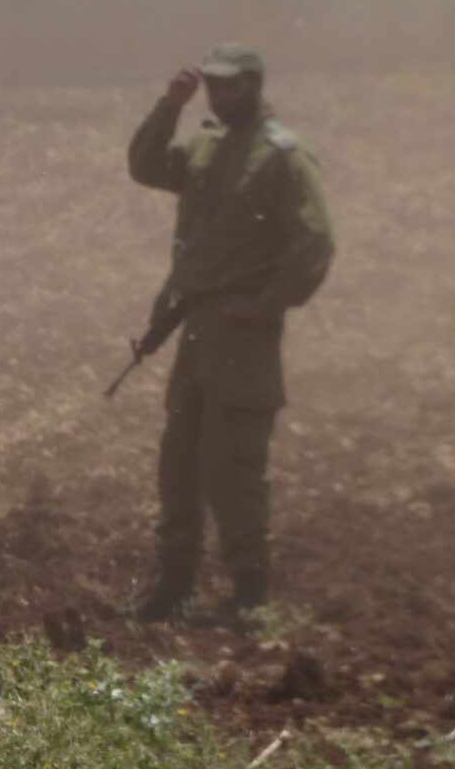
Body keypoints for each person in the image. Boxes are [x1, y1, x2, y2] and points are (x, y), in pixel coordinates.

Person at [128, 41, 334, 625]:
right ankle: (175, 583)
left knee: (233, 463)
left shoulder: (283, 158)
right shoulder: (208, 145)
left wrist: (265, 305)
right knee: (180, 459)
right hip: (196, 332)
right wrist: (170, 106)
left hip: (243, 339)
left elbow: (314, 245)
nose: (222, 94)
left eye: (233, 85)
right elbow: (146, 166)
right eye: (215, 85)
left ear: (257, 83)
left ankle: (250, 590)